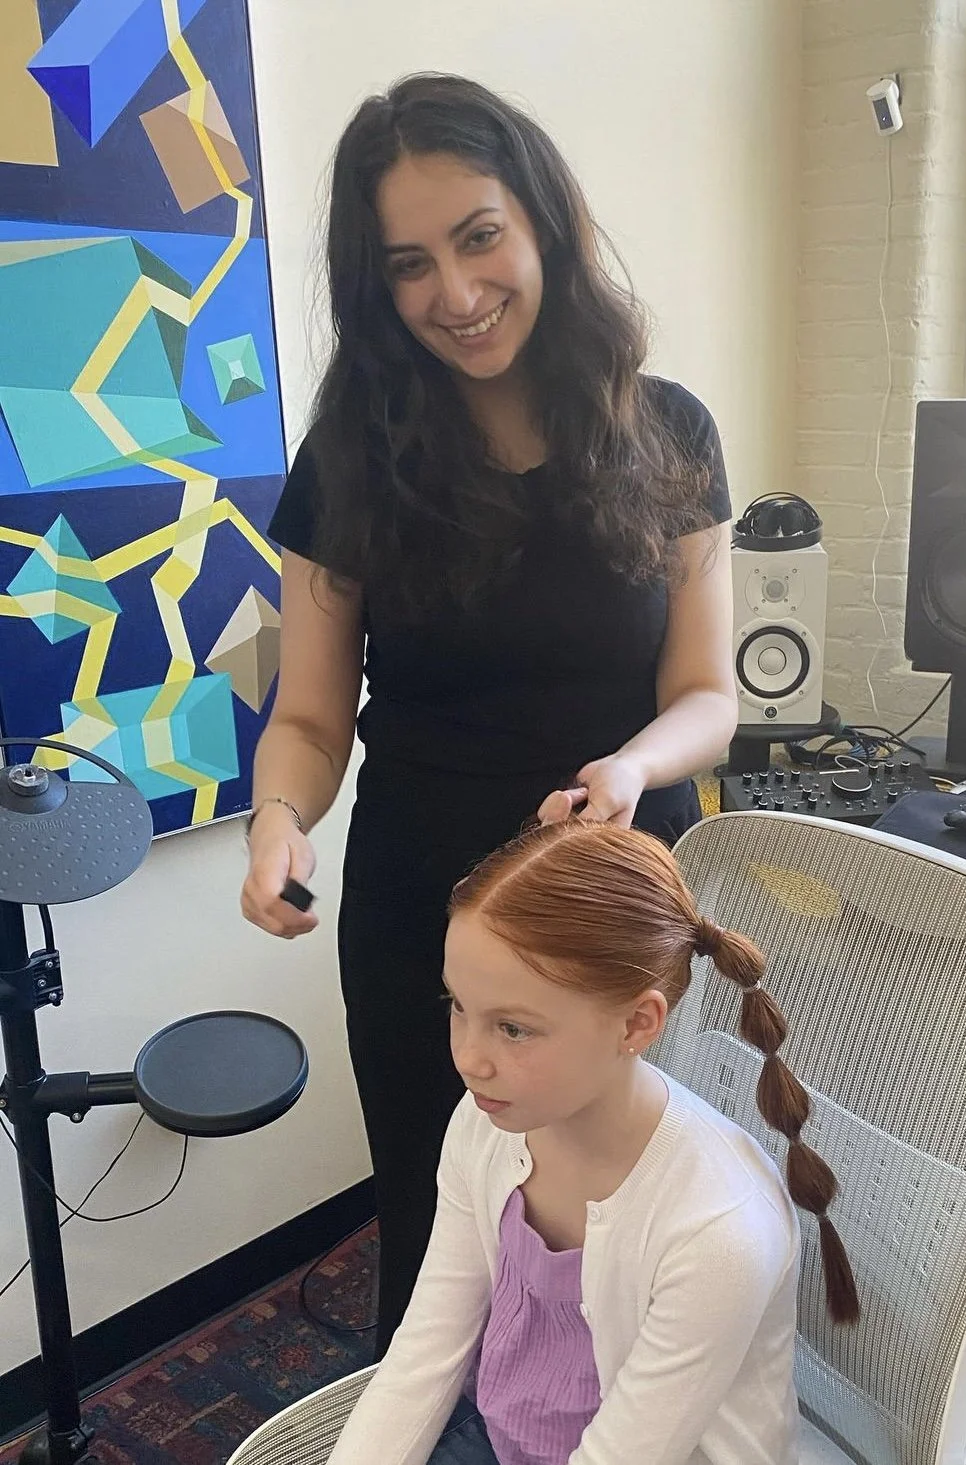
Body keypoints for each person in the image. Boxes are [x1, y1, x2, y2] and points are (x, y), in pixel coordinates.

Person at [239, 72, 739, 1354]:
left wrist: (630, 769)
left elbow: (706, 697)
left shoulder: (667, 431)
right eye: (409, 265)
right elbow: (307, 715)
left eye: (478, 238)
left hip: (618, 894)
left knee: (631, 1236)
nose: (454, 296)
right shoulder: (350, 461)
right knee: (443, 1236)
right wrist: (278, 821)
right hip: (431, 927)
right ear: (376, 286)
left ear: (542, 225)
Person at [325, 819, 859, 1465]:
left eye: (514, 1028)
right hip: (512, 1434)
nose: (468, 1057)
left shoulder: (718, 1227)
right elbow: (428, 1346)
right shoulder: (485, 1121)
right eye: (457, 1004)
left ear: (636, 1022)